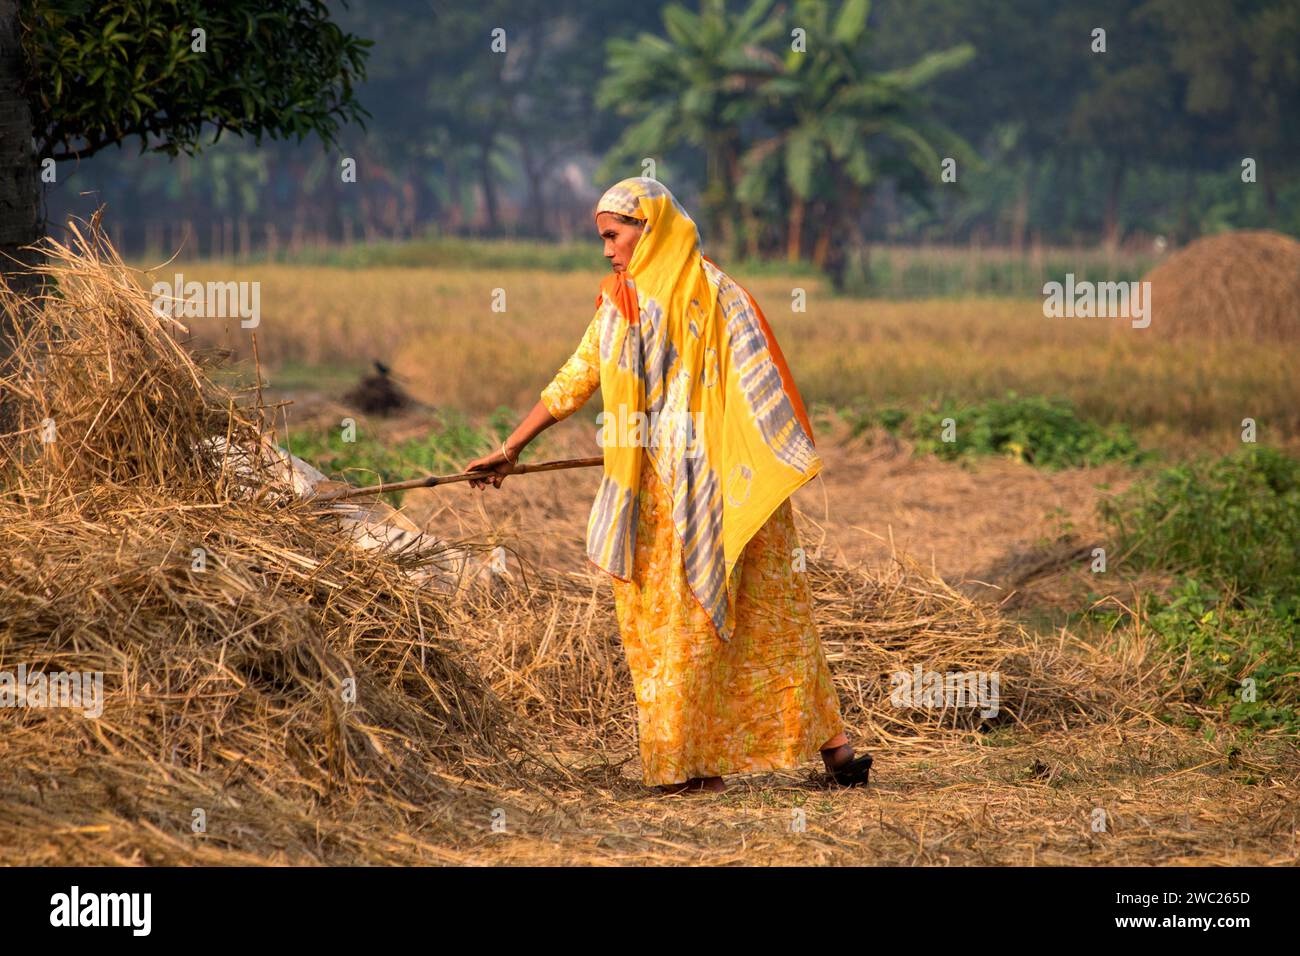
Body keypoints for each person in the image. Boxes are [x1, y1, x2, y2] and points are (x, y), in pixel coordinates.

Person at [465, 177, 872, 794]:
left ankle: (799, 755)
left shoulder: (709, 295)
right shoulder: (640, 300)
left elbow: (753, 386)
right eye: (602, 237)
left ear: (649, 226)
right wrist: (511, 447)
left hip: (718, 494)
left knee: (732, 624)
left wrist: (703, 440)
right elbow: (578, 378)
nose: (606, 250)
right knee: (731, 627)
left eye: (613, 234)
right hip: (682, 490)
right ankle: (733, 761)